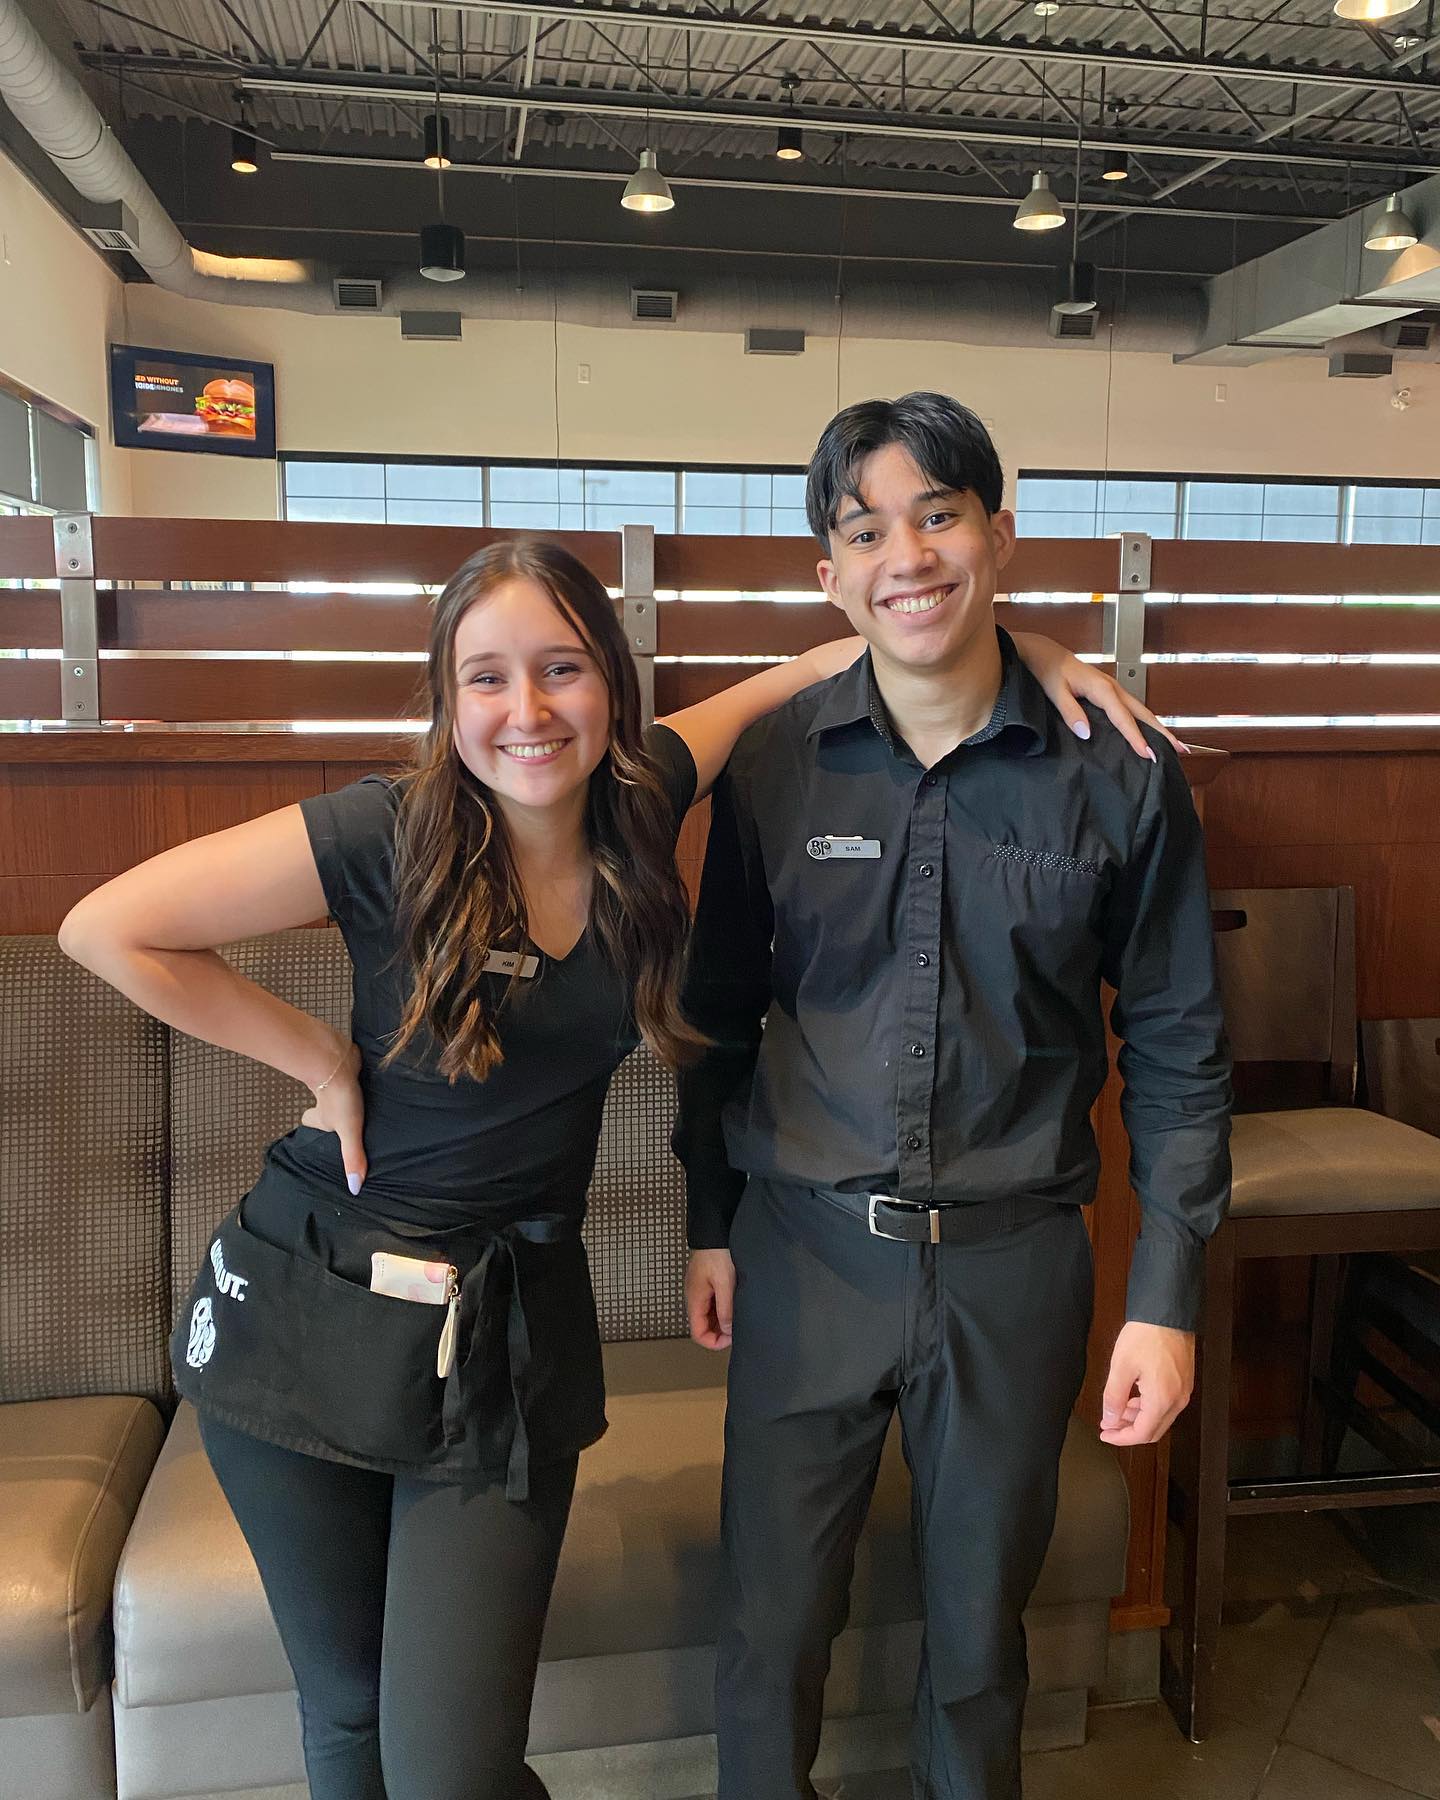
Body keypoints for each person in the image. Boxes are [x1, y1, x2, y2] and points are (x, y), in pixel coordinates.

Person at [60, 533, 1167, 1800]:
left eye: (561, 669)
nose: (526, 711)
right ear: (446, 700)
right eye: (485, 678)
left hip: (501, 1332)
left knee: (448, 1773)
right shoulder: (386, 829)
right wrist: (318, 1059)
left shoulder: (644, 800)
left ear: (612, 684)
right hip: (309, 1305)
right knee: (349, 1721)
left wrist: (1033, 649)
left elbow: (832, 658)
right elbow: (111, 928)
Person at [675, 394, 1233, 1800]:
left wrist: (1165, 1295)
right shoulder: (775, 764)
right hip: (805, 1255)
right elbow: (719, 1014)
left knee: (982, 1642)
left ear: (999, 532)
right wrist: (708, 1222)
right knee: (769, 1630)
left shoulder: (1122, 776)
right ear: (829, 572)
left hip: (1013, 1263)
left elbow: (1178, 1040)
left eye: (939, 516)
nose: (908, 556)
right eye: (867, 531)